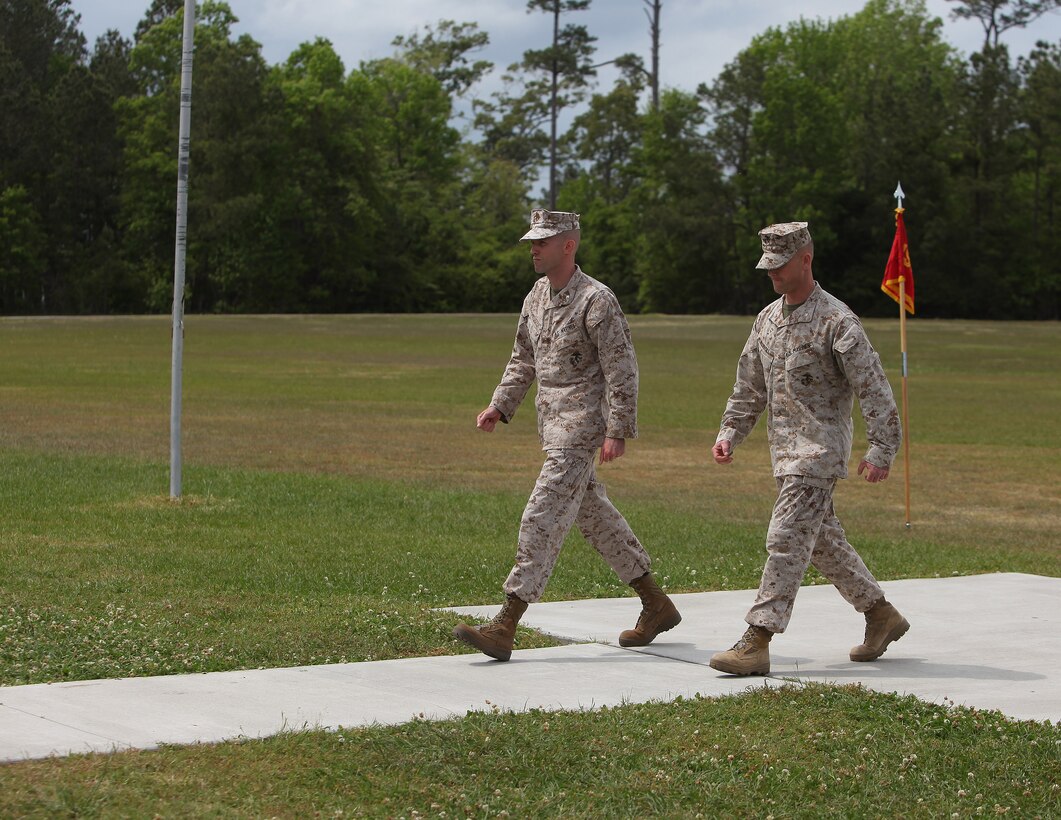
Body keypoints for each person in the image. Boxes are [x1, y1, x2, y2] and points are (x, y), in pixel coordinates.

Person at [453, 208, 681, 662]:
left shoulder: (597, 300)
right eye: (532, 241)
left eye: (542, 241)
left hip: (580, 431)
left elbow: (622, 369)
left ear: (568, 245)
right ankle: (655, 604)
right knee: (593, 517)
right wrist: (500, 404)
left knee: (542, 514)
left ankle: (506, 623)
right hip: (550, 424)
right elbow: (523, 358)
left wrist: (618, 429)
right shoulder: (536, 296)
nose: (534, 248)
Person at [708, 221, 909, 676]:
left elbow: (873, 386)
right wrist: (729, 432)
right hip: (784, 452)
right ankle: (881, 616)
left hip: (819, 453)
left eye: (780, 266)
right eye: (768, 267)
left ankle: (757, 639)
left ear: (805, 259)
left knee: (784, 537)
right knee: (821, 544)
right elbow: (749, 387)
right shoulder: (767, 320)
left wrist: (882, 449)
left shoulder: (837, 321)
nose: (773, 274)